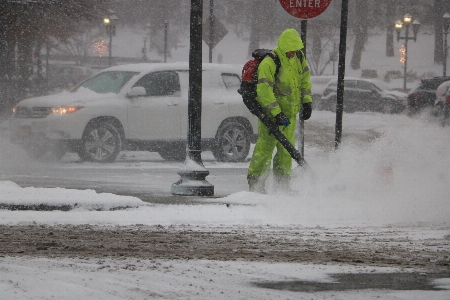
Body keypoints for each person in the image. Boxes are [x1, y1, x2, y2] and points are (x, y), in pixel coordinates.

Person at [247, 28, 312, 194]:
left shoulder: (298, 58)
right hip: (271, 116)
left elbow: (304, 81)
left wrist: (307, 102)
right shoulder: (271, 62)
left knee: (286, 152)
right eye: (290, 50)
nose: (293, 53)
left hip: (289, 116)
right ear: (283, 47)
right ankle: (256, 185)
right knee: (265, 150)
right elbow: (264, 91)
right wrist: (276, 113)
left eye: (295, 50)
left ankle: (282, 186)